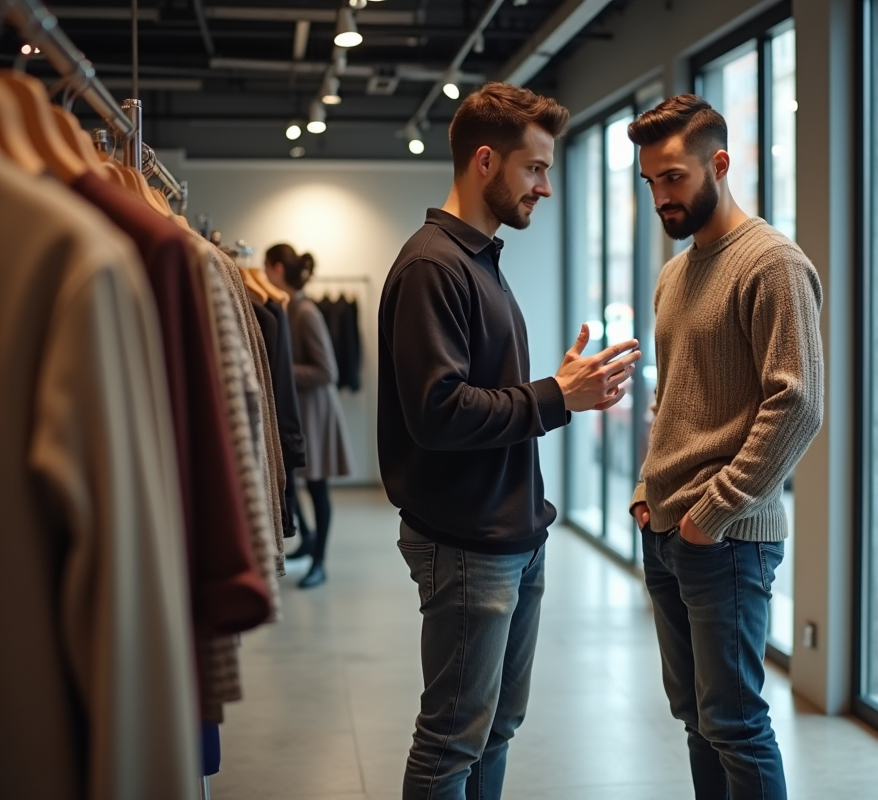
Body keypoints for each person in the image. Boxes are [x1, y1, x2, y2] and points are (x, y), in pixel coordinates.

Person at [378, 82, 641, 800]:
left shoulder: (479, 260)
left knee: (494, 728)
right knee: (452, 741)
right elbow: (437, 412)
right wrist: (555, 396)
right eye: (535, 169)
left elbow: (482, 394)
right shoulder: (435, 264)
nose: (546, 188)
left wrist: (558, 389)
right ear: (486, 161)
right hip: (467, 543)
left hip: (512, 537)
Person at [627, 94, 825, 800]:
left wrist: (712, 515)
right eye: (649, 181)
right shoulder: (674, 275)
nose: (661, 195)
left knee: (736, 723)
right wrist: (648, 496)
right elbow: (673, 398)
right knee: (696, 719)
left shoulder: (772, 264)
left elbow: (797, 405)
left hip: (727, 539)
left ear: (720, 163)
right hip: (667, 530)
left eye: (673, 177)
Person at [265, 244, 354, 589]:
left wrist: (279, 370)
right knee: (296, 482)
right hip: (304, 411)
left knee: (317, 489)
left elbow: (326, 371)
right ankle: (310, 544)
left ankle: (320, 563)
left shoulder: (306, 313)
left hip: (316, 414)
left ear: (275, 269)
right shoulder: (291, 308)